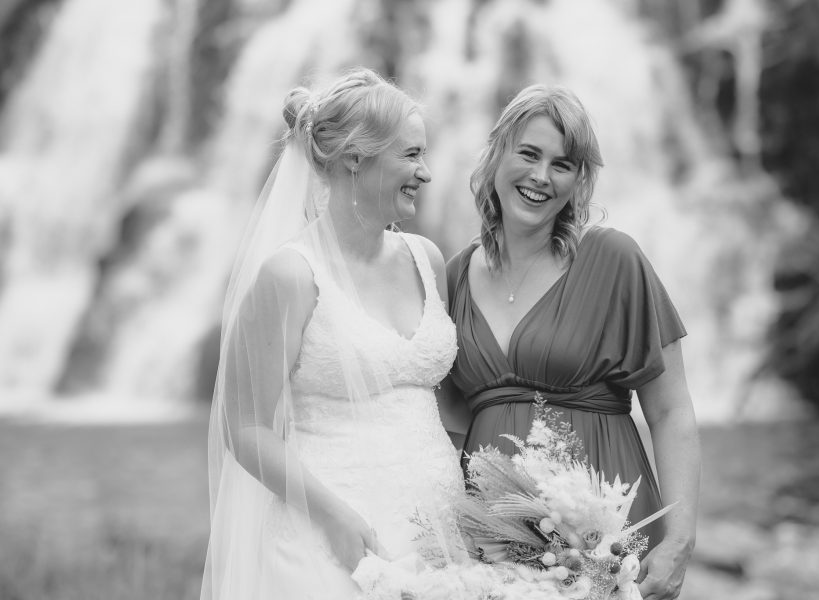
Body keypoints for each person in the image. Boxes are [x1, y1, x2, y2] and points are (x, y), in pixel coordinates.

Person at [200, 68, 465, 600]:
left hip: (442, 536)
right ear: (354, 159)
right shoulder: (290, 275)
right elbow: (246, 429)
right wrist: (336, 517)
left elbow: (444, 406)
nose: (427, 173)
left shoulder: (427, 259)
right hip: (329, 541)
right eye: (411, 155)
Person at [443, 84, 701, 600]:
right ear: (497, 154)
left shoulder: (613, 261)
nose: (541, 176)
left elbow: (671, 412)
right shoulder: (452, 277)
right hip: (487, 542)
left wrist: (680, 539)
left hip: (605, 537)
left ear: (579, 179)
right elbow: (447, 430)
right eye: (529, 154)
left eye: (563, 164)